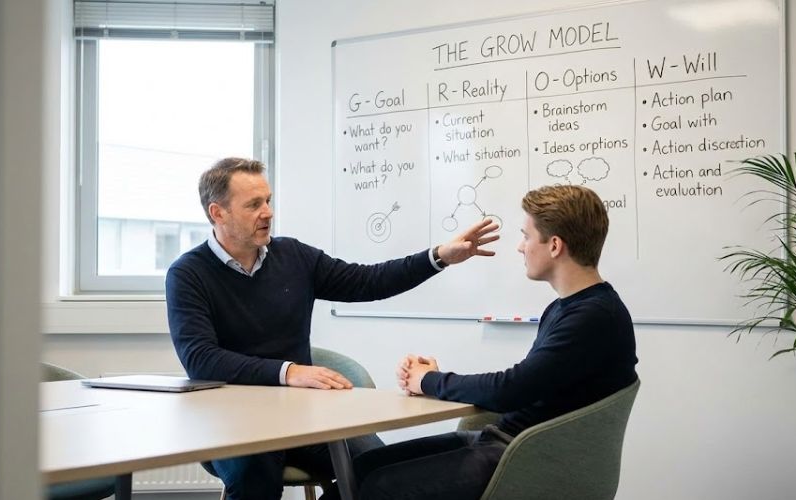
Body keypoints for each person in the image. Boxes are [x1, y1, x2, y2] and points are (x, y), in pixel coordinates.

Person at [165, 157, 500, 500]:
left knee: (380, 470)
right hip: (232, 421)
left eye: (268, 201)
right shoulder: (188, 274)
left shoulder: (293, 256)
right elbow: (201, 359)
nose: (268, 212)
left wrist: (439, 256)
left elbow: (369, 281)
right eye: (254, 205)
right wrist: (288, 372)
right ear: (218, 213)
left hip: (304, 415)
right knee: (255, 479)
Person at [327, 184, 638, 500]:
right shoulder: (567, 308)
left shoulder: (594, 317)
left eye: (527, 236)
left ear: (555, 245)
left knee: (380, 486)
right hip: (501, 441)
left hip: (525, 460)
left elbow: (510, 389)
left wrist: (430, 380)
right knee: (362, 468)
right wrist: (432, 380)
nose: (520, 247)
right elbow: (526, 384)